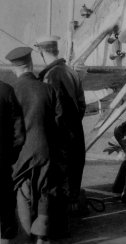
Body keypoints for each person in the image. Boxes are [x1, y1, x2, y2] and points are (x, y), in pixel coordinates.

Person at [6, 47, 66, 244]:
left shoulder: (11, 90)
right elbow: (59, 123)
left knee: (22, 191)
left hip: (21, 152)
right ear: (31, 65)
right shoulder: (48, 89)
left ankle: (25, 236)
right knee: (45, 191)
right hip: (45, 149)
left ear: (15, 69)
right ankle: (41, 238)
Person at [35, 35, 86, 213]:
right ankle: (72, 209)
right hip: (75, 131)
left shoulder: (51, 75)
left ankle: (61, 221)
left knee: (59, 176)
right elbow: (81, 105)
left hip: (60, 134)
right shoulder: (71, 71)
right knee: (73, 173)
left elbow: (56, 110)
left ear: (42, 53)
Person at [0, 80, 25, 244]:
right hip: (2, 158)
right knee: (5, 198)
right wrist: (11, 155)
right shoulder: (6, 90)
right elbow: (19, 130)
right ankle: (6, 232)